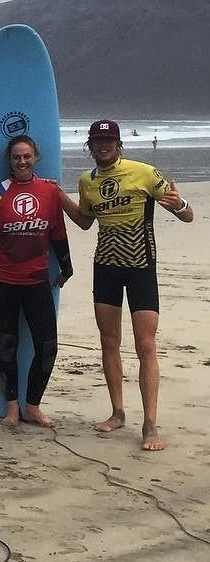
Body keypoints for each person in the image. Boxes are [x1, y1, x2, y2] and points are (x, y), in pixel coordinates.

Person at [57, 119, 193, 451]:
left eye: (109, 140)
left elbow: (187, 215)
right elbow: (86, 223)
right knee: (108, 341)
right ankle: (117, 412)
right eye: (97, 141)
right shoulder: (87, 181)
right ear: (89, 145)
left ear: (119, 144)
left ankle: (149, 424)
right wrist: (58, 196)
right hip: (105, 268)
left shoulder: (144, 172)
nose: (103, 145)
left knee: (145, 346)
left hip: (141, 268)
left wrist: (182, 207)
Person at [0, 136, 73, 426]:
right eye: (17, 157)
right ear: (9, 161)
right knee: (7, 345)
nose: (22, 161)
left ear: (36, 157)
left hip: (36, 282)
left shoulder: (49, 191)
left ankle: (32, 405)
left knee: (47, 346)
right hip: (2, 282)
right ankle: (11, 407)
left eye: (27, 156)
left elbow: (57, 233)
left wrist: (67, 267)